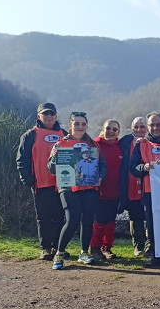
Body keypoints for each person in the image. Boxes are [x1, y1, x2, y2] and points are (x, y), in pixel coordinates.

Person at [47, 112, 107, 270]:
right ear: (70, 126)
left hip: (90, 187)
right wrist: (53, 158)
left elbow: (102, 165)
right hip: (68, 188)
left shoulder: (94, 145)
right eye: (76, 124)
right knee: (72, 219)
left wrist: (100, 176)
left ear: (87, 125)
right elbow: (52, 169)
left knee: (88, 221)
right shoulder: (60, 144)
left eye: (83, 124)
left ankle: (84, 253)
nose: (80, 127)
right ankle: (59, 254)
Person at [16, 103, 66, 261]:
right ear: (39, 116)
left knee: (60, 216)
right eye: (46, 114)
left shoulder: (64, 133)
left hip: (61, 184)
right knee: (43, 217)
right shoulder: (30, 135)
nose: (49, 117)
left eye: (52, 114)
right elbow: (22, 160)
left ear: (56, 116)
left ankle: (58, 247)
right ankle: (45, 248)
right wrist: (28, 180)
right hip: (40, 184)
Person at [129, 111, 160, 266]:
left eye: (159, 124)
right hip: (150, 191)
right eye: (152, 125)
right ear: (147, 127)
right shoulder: (141, 144)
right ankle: (156, 255)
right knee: (153, 225)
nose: (155, 127)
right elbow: (133, 167)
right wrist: (144, 167)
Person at [90, 119, 124, 260]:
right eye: (108, 128)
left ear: (118, 132)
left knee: (111, 221)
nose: (111, 131)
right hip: (99, 191)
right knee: (100, 221)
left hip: (115, 191)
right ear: (103, 129)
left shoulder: (120, 148)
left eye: (114, 129)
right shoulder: (95, 145)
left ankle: (107, 247)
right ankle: (95, 248)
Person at [118, 117, 147, 256]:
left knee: (150, 216)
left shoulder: (153, 140)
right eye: (136, 127)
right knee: (135, 217)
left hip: (148, 184)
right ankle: (138, 246)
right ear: (131, 128)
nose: (139, 130)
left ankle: (152, 246)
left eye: (142, 127)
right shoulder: (124, 141)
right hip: (130, 184)